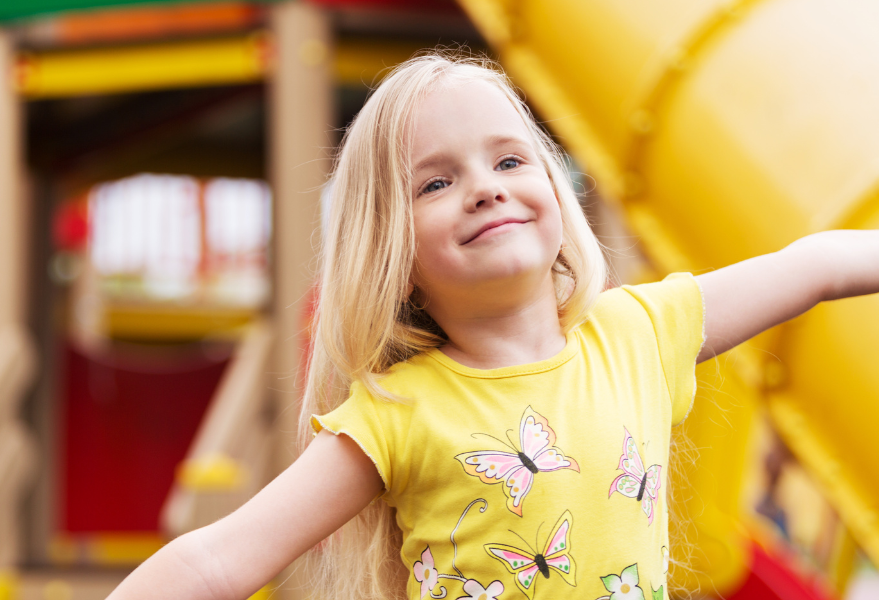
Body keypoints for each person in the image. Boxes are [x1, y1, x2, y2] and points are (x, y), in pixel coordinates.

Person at [107, 53, 879, 600]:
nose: (484, 189)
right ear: (394, 253)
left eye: (510, 162)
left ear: (554, 191)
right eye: (436, 182)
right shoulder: (399, 412)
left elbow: (816, 266)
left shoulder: (638, 332)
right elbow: (217, 564)